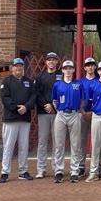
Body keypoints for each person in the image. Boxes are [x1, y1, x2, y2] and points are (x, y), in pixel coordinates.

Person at [0, 57, 36, 183]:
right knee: (8, 147)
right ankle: (5, 172)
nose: (18, 68)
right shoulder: (6, 81)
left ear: (23, 68)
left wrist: (26, 107)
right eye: (16, 66)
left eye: (20, 66)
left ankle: (23, 171)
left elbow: (33, 96)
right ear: (12, 68)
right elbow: (5, 98)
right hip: (11, 119)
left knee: (23, 146)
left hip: (25, 119)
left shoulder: (29, 82)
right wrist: (16, 108)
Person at [52, 60, 83, 183]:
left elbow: (82, 100)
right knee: (59, 144)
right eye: (66, 68)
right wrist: (60, 111)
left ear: (73, 70)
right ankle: (58, 171)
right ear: (63, 70)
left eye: (70, 68)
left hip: (74, 114)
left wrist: (77, 110)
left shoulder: (78, 84)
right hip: (61, 114)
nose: (68, 70)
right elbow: (54, 100)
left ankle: (74, 171)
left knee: (75, 144)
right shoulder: (57, 85)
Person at [34, 51, 62, 179]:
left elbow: (62, 92)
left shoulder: (61, 75)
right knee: (42, 141)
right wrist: (46, 104)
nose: (51, 62)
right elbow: (36, 93)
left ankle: (57, 168)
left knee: (57, 141)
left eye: (54, 60)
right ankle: (41, 168)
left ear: (57, 62)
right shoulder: (39, 76)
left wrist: (52, 104)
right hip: (43, 112)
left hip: (57, 112)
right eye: (49, 60)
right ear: (46, 62)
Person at [79, 56, 97, 177]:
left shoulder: (100, 80)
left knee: (97, 142)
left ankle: (97, 166)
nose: (90, 67)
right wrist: (82, 112)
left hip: (96, 114)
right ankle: (81, 166)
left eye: (92, 65)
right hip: (82, 114)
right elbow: (77, 98)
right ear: (85, 67)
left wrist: (93, 112)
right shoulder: (80, 82)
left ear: (95, 67)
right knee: (81, 141)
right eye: (88, 65)